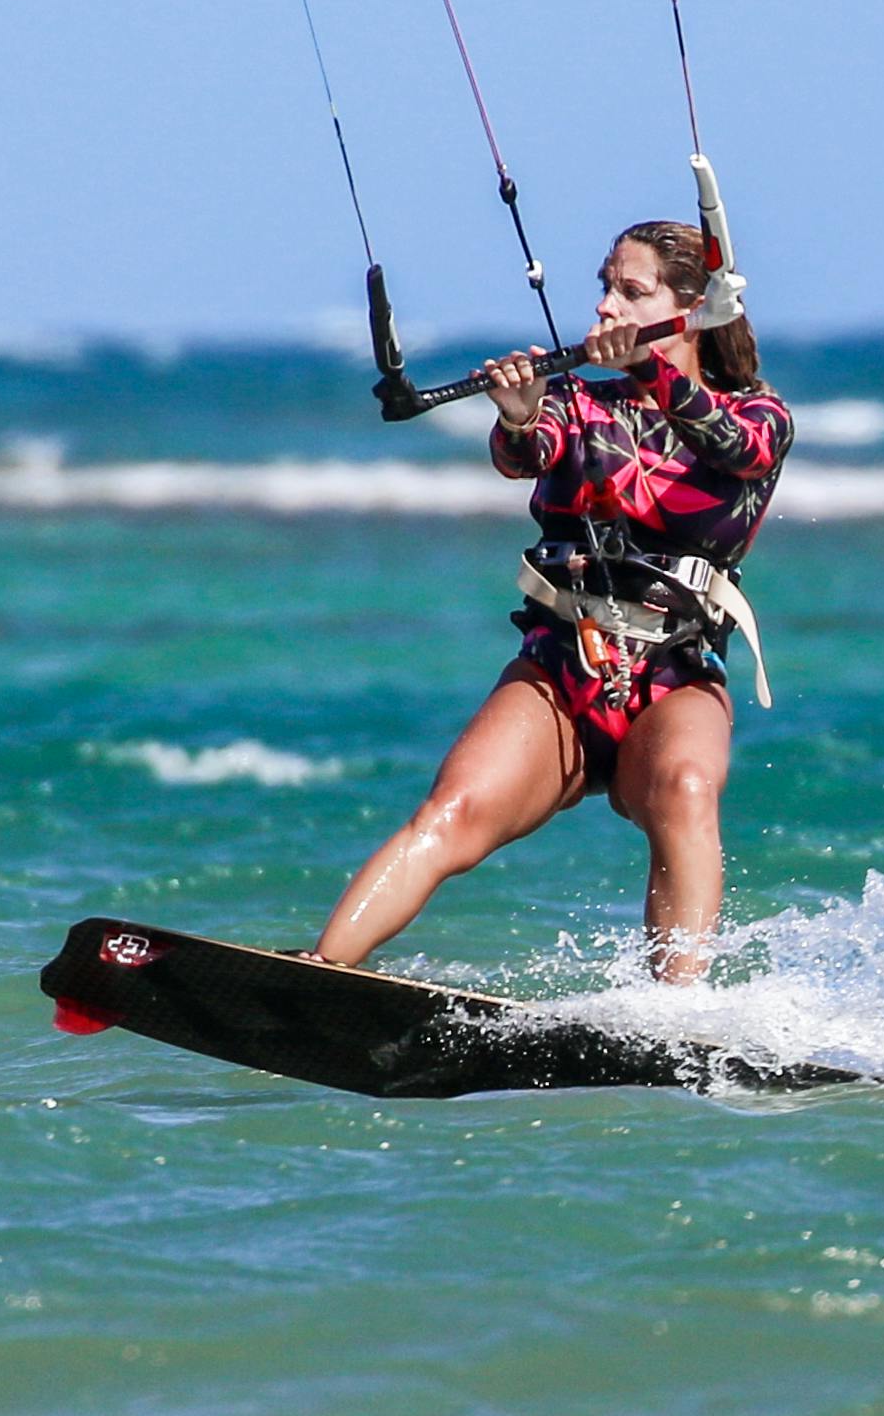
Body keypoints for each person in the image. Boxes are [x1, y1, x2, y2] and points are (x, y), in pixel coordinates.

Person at [312, 217, 790, 983]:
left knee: (687, 788)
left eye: (631, 292)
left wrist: (650, 370)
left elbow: (739, 450)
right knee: (453, 812)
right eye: (605, 287)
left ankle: (678, 1016)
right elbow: (527, 451)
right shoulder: (578, 405)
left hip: (676, 676)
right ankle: (319, 968)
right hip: (562, 671)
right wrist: (521, 409)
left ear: (692, 309)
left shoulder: (759, 414)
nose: (605, 307)